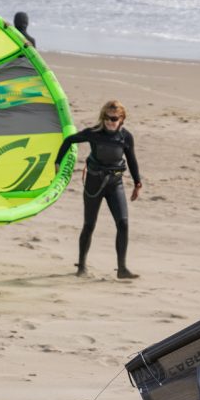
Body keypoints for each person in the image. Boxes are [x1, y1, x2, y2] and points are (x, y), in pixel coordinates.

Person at [54, 100, 142, 279]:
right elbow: (70, 140)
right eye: (106, 118)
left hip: (115, 183)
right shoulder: (94, 133)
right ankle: (82, 266)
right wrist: (58, 162)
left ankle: (122, 269)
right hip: (94, 183)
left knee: (123, 223)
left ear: (122, 118)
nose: (110, 121)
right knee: (89, 224)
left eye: (114, 118)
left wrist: (137, 183)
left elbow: (131, 160)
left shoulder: (126, 137)